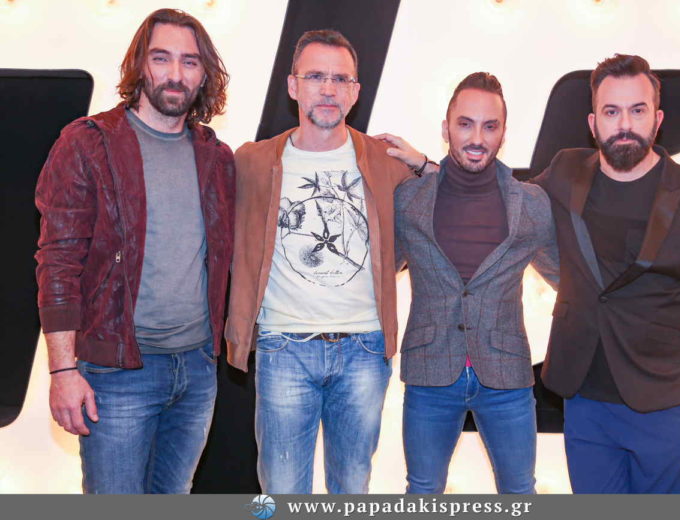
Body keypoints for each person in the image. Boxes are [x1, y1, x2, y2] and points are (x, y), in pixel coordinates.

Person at [35, 8, 234, 494]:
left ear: (204, 74)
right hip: (116, 370)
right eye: (161, 58)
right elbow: (58, 263)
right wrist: (63, 369)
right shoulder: (88, 143)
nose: (175, 73)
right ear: (139, 65)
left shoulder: (216, 157)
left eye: (190, 62)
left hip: (197, 370)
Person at [224, 29, 429, 494]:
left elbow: (449, 199)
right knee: (281, 491)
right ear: (293, 85)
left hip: (364, 350)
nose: (329, 89)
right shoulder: (252, 162)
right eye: (316, 76)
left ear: (355, 91)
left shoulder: (386, 160)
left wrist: (422, 163)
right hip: (283, 348)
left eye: (341, 79)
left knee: (352, 489)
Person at [533, 54, 680, 493]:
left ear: (657, 119)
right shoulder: (566, 170)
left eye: (638, 110)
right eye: (611, 112)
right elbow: (505, 204)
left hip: (666, 404)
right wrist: (424, 167)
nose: (624, 124)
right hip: (584, 400)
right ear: (593, 123)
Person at [393, 72, 558, 494]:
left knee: (519, 493)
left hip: (506, 376)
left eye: (490, 126)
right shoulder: (408, 198)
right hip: (429, 371)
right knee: (423, 491)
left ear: (503, 133)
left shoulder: (532, 204)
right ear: (446, 128)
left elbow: (570, 280)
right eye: (465, 124)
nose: (477, 138)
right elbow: (377, 270)